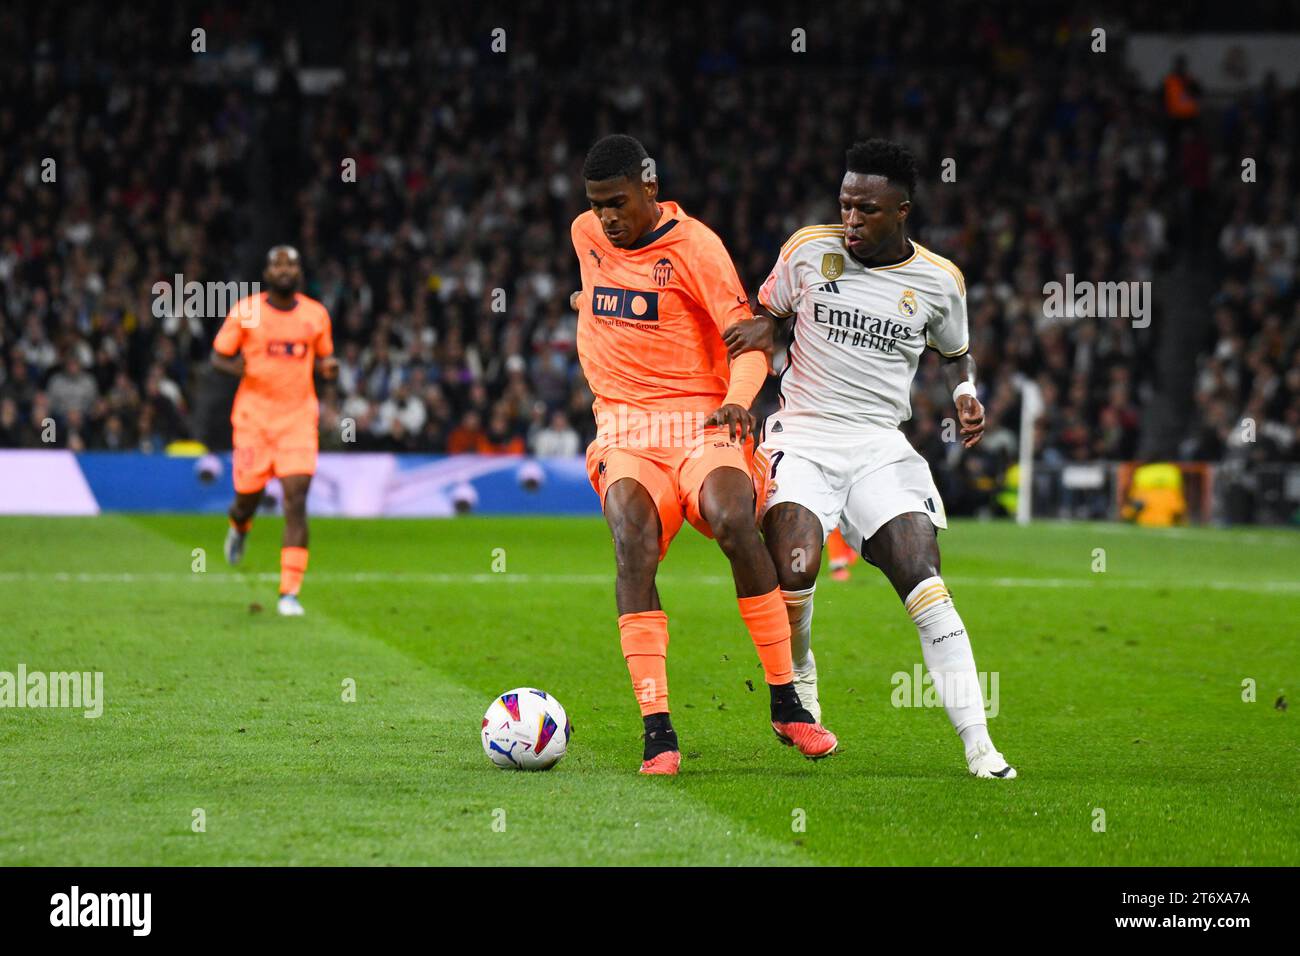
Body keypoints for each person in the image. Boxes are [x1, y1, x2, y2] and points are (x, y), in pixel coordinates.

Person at [725, 139, 1015, 778]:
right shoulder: (808, 252)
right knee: (795, 567)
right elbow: (761, 312)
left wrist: (965, 392)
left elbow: (955, 350)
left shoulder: (939, 282)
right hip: (801, 435)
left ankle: (979, 745)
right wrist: (761, 332)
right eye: (845, 205)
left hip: (880, 443)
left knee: (923, 575)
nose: (851, 220)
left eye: (867, 210)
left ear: (902, 211)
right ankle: (800, 688)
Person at [571, 134, 837, 775]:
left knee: (731, 516)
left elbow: (750, 342)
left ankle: (786, 701)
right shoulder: (585, 235)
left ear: (650, 188)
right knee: (631, 537)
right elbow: (602, 300)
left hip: (704, 420)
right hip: (627, 430)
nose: (607, 217)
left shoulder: (697, 248)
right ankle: (657, 730)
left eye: (618, 202)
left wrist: (741, 401)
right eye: (598, 204)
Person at [211, 246, 337, 616]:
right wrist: (245, 371)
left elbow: (325, 359)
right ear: (267, 272)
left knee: (296, 500)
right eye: (277, 264)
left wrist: (329, 370)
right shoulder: (247, 311)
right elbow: (218, 355)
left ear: (299, 272)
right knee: (246, 497)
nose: (284, 270)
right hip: (253, 421)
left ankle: (289, 592)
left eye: (291, 264)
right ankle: (240, 525)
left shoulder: (316, 315)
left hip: (298, 420)